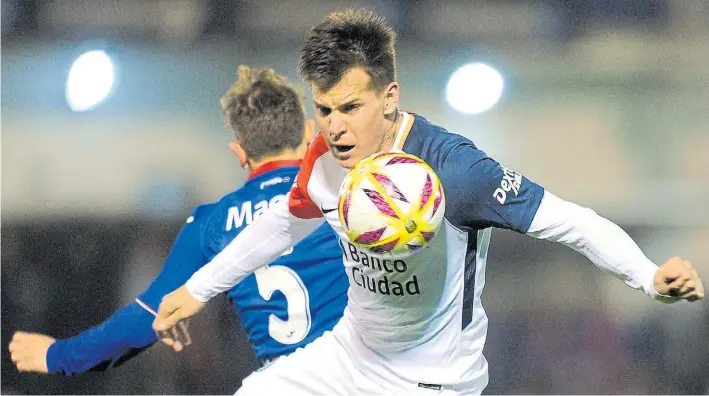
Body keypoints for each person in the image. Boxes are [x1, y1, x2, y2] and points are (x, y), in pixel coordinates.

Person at [153, 10, 705, 396]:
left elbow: (570, 222)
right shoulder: (324, 159)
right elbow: (282, 224)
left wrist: (648, 275)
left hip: (433, 381)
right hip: (350, 357)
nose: (335, 128)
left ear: (389, 97)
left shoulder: (456, 172)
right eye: (324, 110)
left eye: (350, 107)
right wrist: (199, 289)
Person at [9, 66, 349, 376]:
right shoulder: (348, 196)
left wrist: (58, 355)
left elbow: (143, 319)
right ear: (308, 133)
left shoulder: (211, 224)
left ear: (239, 151)